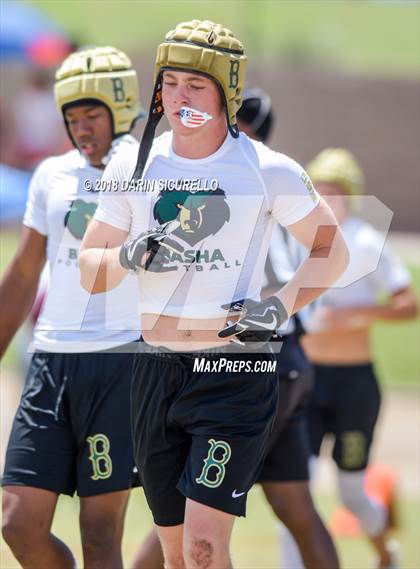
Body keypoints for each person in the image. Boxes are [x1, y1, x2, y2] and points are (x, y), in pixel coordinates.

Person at [79, 20, 349, 569]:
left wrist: (278, 307)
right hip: (154, 369)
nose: (180, 96)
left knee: (204, 547)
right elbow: (90, 266)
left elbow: (332, 251)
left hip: (235, 372)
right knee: (177, 554)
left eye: (195, 85)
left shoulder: (266, 169)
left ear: (226, 92)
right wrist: (129, 257)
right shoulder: (133, 166)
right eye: (171, 82)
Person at [1, 46, 162, 569]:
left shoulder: (150, 173)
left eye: (93, 114)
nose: (81, 127)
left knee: (99, 535)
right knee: (16, 522)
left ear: (120, 111)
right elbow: (25, 271)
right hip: (49, 362)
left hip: (120, 363)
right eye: (72, 117)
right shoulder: (51, 174)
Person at [282, 148, 417, 569]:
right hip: (306, 379)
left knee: (352, 494)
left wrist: (354, 315)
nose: (325, 200)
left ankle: (384, 552)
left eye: (333, 192)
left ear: (350, 196)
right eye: (317, 191)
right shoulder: (294, 239)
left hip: (355, 384)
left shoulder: (366, 241)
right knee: (292, 487)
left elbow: (407, 303)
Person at [236, 88, 340, 568]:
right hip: (292, 357)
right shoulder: (281, 181)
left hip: (259, 357)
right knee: (296, 506)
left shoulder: (243, 178)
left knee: (193, 497)